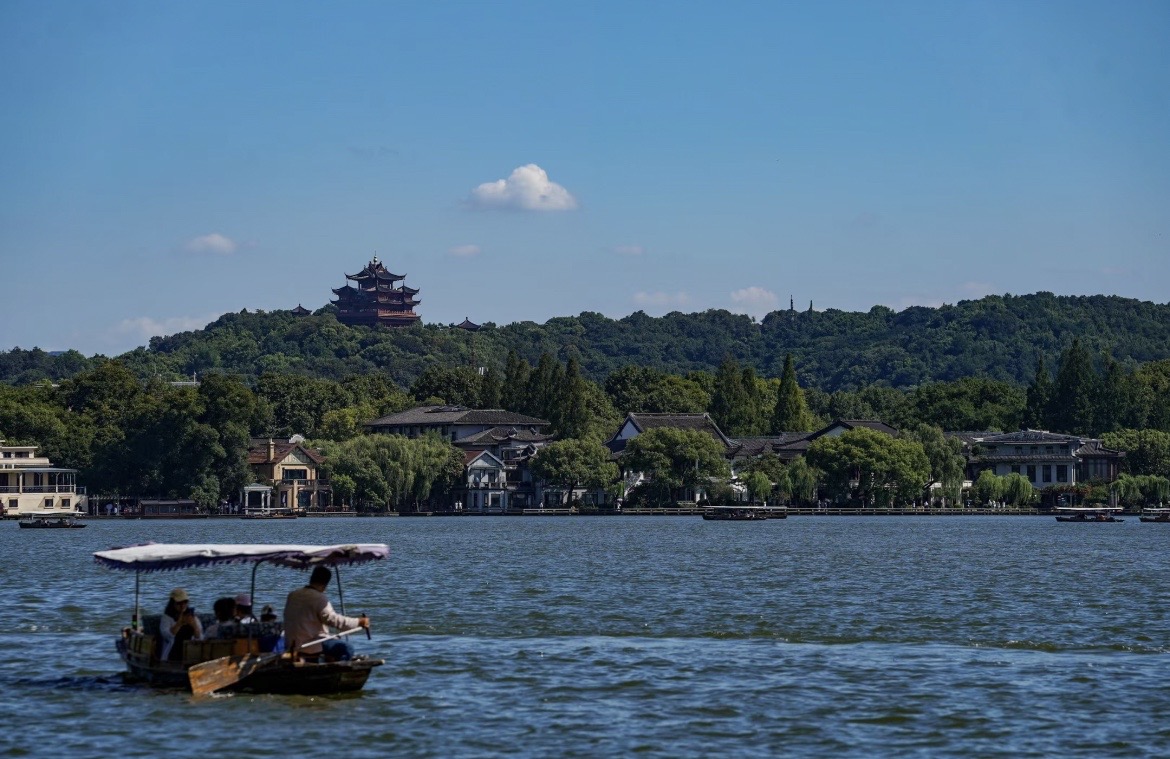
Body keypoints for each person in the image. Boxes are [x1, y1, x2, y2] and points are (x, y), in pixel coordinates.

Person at [283, 566, 369, 661]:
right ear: (325, 584)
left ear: (311, 578)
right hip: (309, 644)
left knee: (331, 640)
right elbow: (334, 621)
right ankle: (336, 671)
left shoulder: (293, 595)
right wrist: (359, 622)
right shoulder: (318, 597)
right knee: (347, 648)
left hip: (291, 644)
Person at [159, 588, 203, 661]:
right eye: (179, 603)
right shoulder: (167, 618)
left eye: (185, 602)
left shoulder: (192, 616)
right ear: (172, 603)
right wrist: (179, 624)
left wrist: (194, 626)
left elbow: (200, 638)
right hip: (172, 653)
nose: (182, 606)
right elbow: (167, 636)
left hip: (191, 652)